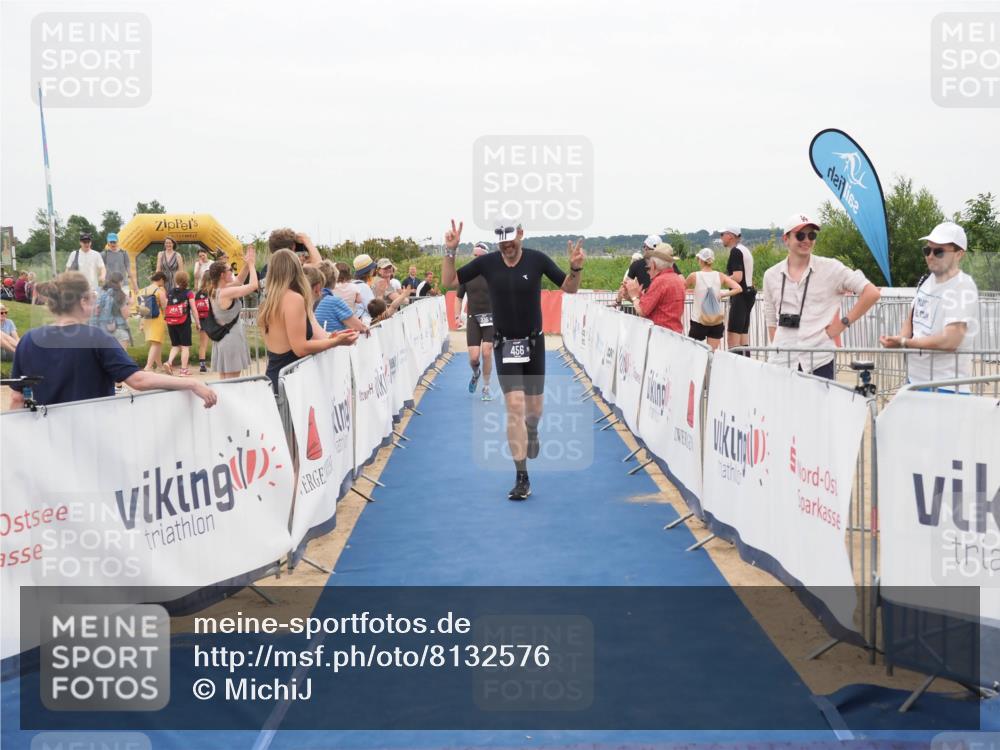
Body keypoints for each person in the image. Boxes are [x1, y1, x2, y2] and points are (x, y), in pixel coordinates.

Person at [442, 218, 585, 501]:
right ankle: (522, 477)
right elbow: (449, 281)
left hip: (533, 343)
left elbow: (570, 288)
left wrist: (575, 268)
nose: (507, 245)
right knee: (515, 406)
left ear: (520, 234)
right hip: (504, 344)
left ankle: (532, 430)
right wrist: (450, 251)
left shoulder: (537, 260)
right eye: (502, 241)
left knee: (534, 411)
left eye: (511, 240)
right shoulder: (487, 263)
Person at [8, 272, 217, 409]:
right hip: (93, 434)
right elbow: (139, 381)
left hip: (46, 440)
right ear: (82, 301)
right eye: (92, 296)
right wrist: (191, 383)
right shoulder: (98, 338)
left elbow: (17, 399)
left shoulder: (28, 340)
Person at [762, 213, 881, 379]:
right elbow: (770, 318)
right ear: (786, 239)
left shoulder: (831, 268)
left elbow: (871, 292)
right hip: (782, 360)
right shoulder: (771, 275)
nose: (807, 240)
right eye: (800, 235)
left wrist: (840, 325)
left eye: (811, 235)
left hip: (819, 360)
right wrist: (779, 346)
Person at [880, 221, 979, 392]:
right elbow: (912, 319)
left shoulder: (963, 286)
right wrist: (899, 339)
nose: (930, 256)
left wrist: (905, 342)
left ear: (959, 254)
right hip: (915, 380)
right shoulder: (927, 280)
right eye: (927, 250)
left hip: (946, 386)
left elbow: (950, 340)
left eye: (938, 251)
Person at [259, 249, 359, 394]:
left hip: (274, 377)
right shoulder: (294, 299)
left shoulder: (267, 302)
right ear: (296, 269)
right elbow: (300, 347)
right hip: (290, 382)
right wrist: (335, 342)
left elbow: (287, 343)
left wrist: (331, 339)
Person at [204, 245, 259, 379]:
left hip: (223, 339)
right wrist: (252, 265)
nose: (232, 271)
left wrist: (246, 264)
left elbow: (239, 281)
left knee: (224, 381)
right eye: (230, 270)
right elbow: (253, 286)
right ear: (222, 275)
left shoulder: (215, 290)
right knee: (232, 382)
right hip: (231, 339)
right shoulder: (226, 292)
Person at [456, 241, 495, 400]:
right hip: (473, 319)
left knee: (487, 352)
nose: (476, 258)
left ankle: (486, 387)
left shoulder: (494, 273)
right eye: (475, 255)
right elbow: (459, 297)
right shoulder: (467, 273)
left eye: (480, 256)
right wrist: (457, 316)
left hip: (491, 318)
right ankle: (476, 373)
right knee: (473, 358)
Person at [686, 248, 743, 350]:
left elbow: (681, 288)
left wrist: (694, 291)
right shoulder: (720, 275)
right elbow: (738, 288)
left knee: (694, 352)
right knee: (712, 353)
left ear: (700, 260)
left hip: (698, 321)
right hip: (716, 321)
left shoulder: (694, 276)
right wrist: (722, 294)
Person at [623, 243, 687, 333]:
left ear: (653, 265)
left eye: (648, 268)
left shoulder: (660, 281)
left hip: (660, 334)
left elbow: (642, 310)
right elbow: (655, 305)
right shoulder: (677, 279)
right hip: (674, 333)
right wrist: (635, 296)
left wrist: (634, 296)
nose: (647, 272)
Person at [721, 226, 756, 354]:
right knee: (743, 337)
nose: (721, 237)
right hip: (748, 294)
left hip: (740, 296)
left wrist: (721, 279)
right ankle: (747, 364)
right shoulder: (744, 249)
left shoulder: (735, 251)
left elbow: (737, 276)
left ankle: (735, 365)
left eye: (722, 234)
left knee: (733, 338)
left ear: (730, 236)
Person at [163, 270, 200, 376]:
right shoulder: (189, 293)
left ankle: (169, 362)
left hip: (171, 321)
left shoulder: (169, 292)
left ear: (176, 280)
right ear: (186, 280)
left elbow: (166, 306)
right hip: (183, 322)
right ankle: (183, 370)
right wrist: (198, 323)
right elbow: (194, 309)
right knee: (185, 346)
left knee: (175, 345)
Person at [315, 263, 369, 333]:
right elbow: (360, 327)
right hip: (337, 338)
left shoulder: (311, 300)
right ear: (334, 280)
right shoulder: (335, 302)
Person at [92, 272, 131, 350]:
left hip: (102, 329)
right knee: (121, 355)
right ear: (120, 282)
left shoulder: (100, 292)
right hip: (119, 329)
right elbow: (125, 315)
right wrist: (129, 304)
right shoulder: (120, 295)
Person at [140, 271, 168, 371]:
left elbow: (141, 307)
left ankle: (159, 366)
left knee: (156, 343)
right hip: (157, 318)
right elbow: (164, 306)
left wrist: (141, 323)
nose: (163, 283)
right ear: (160, 279)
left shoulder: (143, 290)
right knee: (156, 343)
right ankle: (148, 366)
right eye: (163, 281)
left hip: (147, 318)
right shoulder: (159, 291)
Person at [101, 233, 135, 301]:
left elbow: (129, 270)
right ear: (108, 242)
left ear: (117, 241)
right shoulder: (104, 254)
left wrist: (135, 286)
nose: (113, 244)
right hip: (110, 286)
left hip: (123, 285)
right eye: (111, 242)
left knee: (125, 303)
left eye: (114, 242)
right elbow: (101, 270)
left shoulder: (124, 253)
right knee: (111, 304)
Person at [351, 254, 378, 324]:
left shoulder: (352, 284)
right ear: (370, 270)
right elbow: (373, 310)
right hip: (365, 323)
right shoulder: (363, 286)